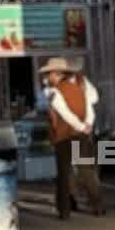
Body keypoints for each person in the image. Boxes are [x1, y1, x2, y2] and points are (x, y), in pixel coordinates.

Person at [41, 58, 105, 220]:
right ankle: (98, 206)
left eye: (49, 74)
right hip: (81, 135)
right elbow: (90, 106)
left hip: (64, 136)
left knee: (64, 173)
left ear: (57, 74)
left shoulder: (54, 91)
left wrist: (80, 126)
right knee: (86, 171)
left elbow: (64, 113)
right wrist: (86, 125)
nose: (48, 77)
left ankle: (65, 210)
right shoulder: (81, 86)